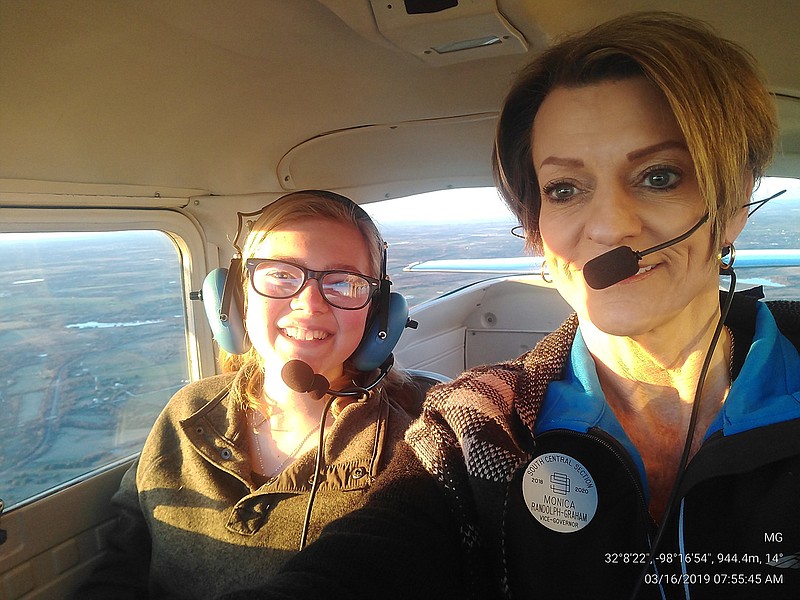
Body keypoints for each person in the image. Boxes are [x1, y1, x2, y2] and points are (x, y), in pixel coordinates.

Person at [218, 12, 800, 600]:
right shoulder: (474, 424)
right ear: (537, 232)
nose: (609, 226)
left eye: (659, 176)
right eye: (564, 190)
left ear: (732, 207)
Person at [76, 190, 422, 599]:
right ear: (237, 296)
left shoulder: (409, 449)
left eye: (343, 282)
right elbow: (122, 569)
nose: (309, 304)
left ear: (379, 313)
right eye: (280, 274)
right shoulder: (187, 413)